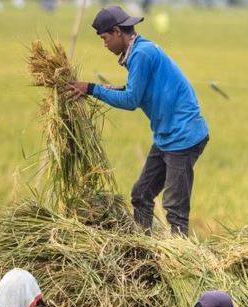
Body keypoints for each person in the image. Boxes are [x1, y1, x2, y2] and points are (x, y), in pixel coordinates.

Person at [68, 6, 209, 236]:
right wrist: (115, 89)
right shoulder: (138, 51)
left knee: (175, 209)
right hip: (167, 136)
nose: (104, 44)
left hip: (183, 137)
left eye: (105, 38)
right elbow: (137, 91)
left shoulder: (141, 55)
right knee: (141, 195)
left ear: (116, 31)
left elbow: (131, 100)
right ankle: (143, 249)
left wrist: (92, 89)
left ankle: (181, 258)